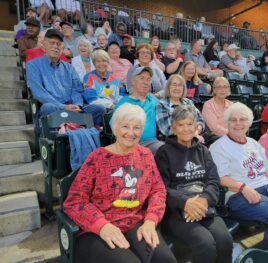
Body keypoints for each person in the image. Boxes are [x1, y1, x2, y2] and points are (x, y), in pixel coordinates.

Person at [64, 103, 177, 263]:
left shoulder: (145, 155)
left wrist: (151, 220)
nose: (131, 133)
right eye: (125, 126)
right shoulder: (97, 158)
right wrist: (102, 225)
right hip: (98, 229)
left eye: (137, 128)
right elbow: (74, 201)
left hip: (135, 222)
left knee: (165, 260)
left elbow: (157, 191)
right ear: (115, 128)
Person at [210, 102, 268, 256]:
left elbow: (267, 167)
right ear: (226, 123)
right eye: (233, 120)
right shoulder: (219, 147)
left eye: (243, 119)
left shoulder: (253, 143)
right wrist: (243, 187)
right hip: (238, 196)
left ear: (249, 122)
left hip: (266, 189)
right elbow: (220, 178)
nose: (238, 124)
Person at [155, 105, 233, 263]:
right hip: (177, 212)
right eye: (181, 125)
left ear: (197, 126)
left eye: (189, 124)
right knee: (205, 243)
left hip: (205, 207)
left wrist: (204, 200)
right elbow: (161, 188)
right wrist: (185, 202)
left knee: (225, 240)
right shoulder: (164, 152)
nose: (186, 129)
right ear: (173, 128)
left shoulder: (203, 151)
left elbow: (212, 180)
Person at [26, 29, 106, 135]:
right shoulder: (33, 65)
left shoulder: (69, 67)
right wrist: (63, 107)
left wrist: (77, 105)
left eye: (58, 44)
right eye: (52, 43)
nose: (55, 46)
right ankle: (57, 139)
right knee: (48, 107)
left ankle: (86, 135)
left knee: (100, 109)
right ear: (44, 45)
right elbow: (39, 93)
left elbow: (77, 89)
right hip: (54, 108)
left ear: (62, 48)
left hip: (72, 108)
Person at [115, 66, 163, 154]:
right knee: (163, 150)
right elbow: (114, 126)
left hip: (152, 142)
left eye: (148, 79)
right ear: (133, 81)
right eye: (142, 78)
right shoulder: (124, 103)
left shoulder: (153, 100)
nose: (146, 82)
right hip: (130, 143)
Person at [155, 74, 205, 139]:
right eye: (174, 85)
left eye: (180, 85)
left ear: (184, 88)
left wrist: (196, 132)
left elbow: (200, 120)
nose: (177, 88)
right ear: (168, 87)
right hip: (173, 140)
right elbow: (166, 130)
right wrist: (192, 135)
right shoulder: (161, 104)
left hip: (194, 136)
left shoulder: (189, 102)